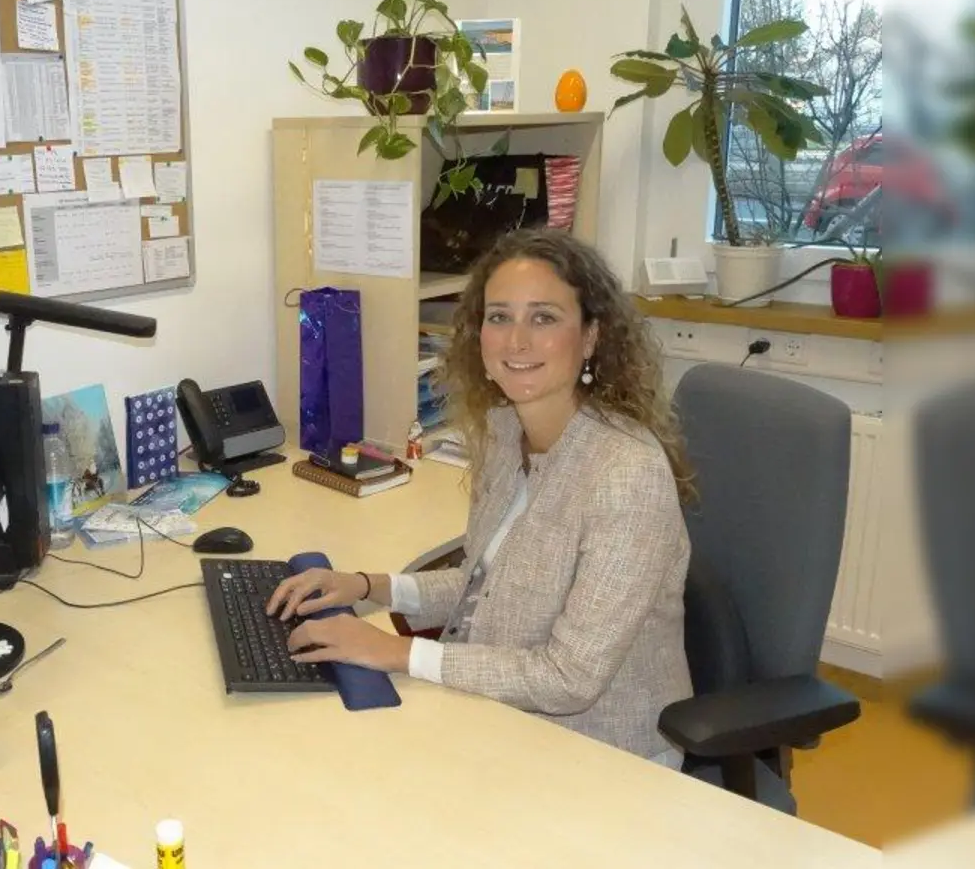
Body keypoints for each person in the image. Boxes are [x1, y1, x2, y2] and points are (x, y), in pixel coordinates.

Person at [268, 228, 696, 767]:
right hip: (496, 715)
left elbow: (570, 680)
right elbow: (484, 583)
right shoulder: (503, 430)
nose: (516, 341)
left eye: (544, 318)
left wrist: (399, 652)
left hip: (599, 756)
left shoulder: (625, 475)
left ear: (590, 337)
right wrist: (367, 587)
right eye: (499, 317)